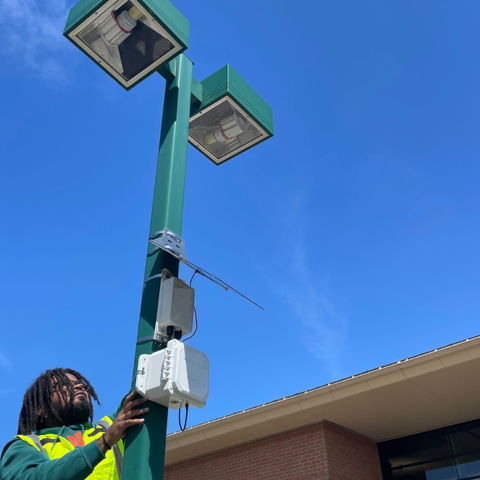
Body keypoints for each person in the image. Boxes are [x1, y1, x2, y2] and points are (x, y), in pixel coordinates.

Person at [0, 367, 149, 480]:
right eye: (64, 385)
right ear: (41, 409)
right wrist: (103, 443)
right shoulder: (24, 445)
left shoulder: (111, 425)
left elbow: (145, 387)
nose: (79, 386)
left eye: (79, 383)